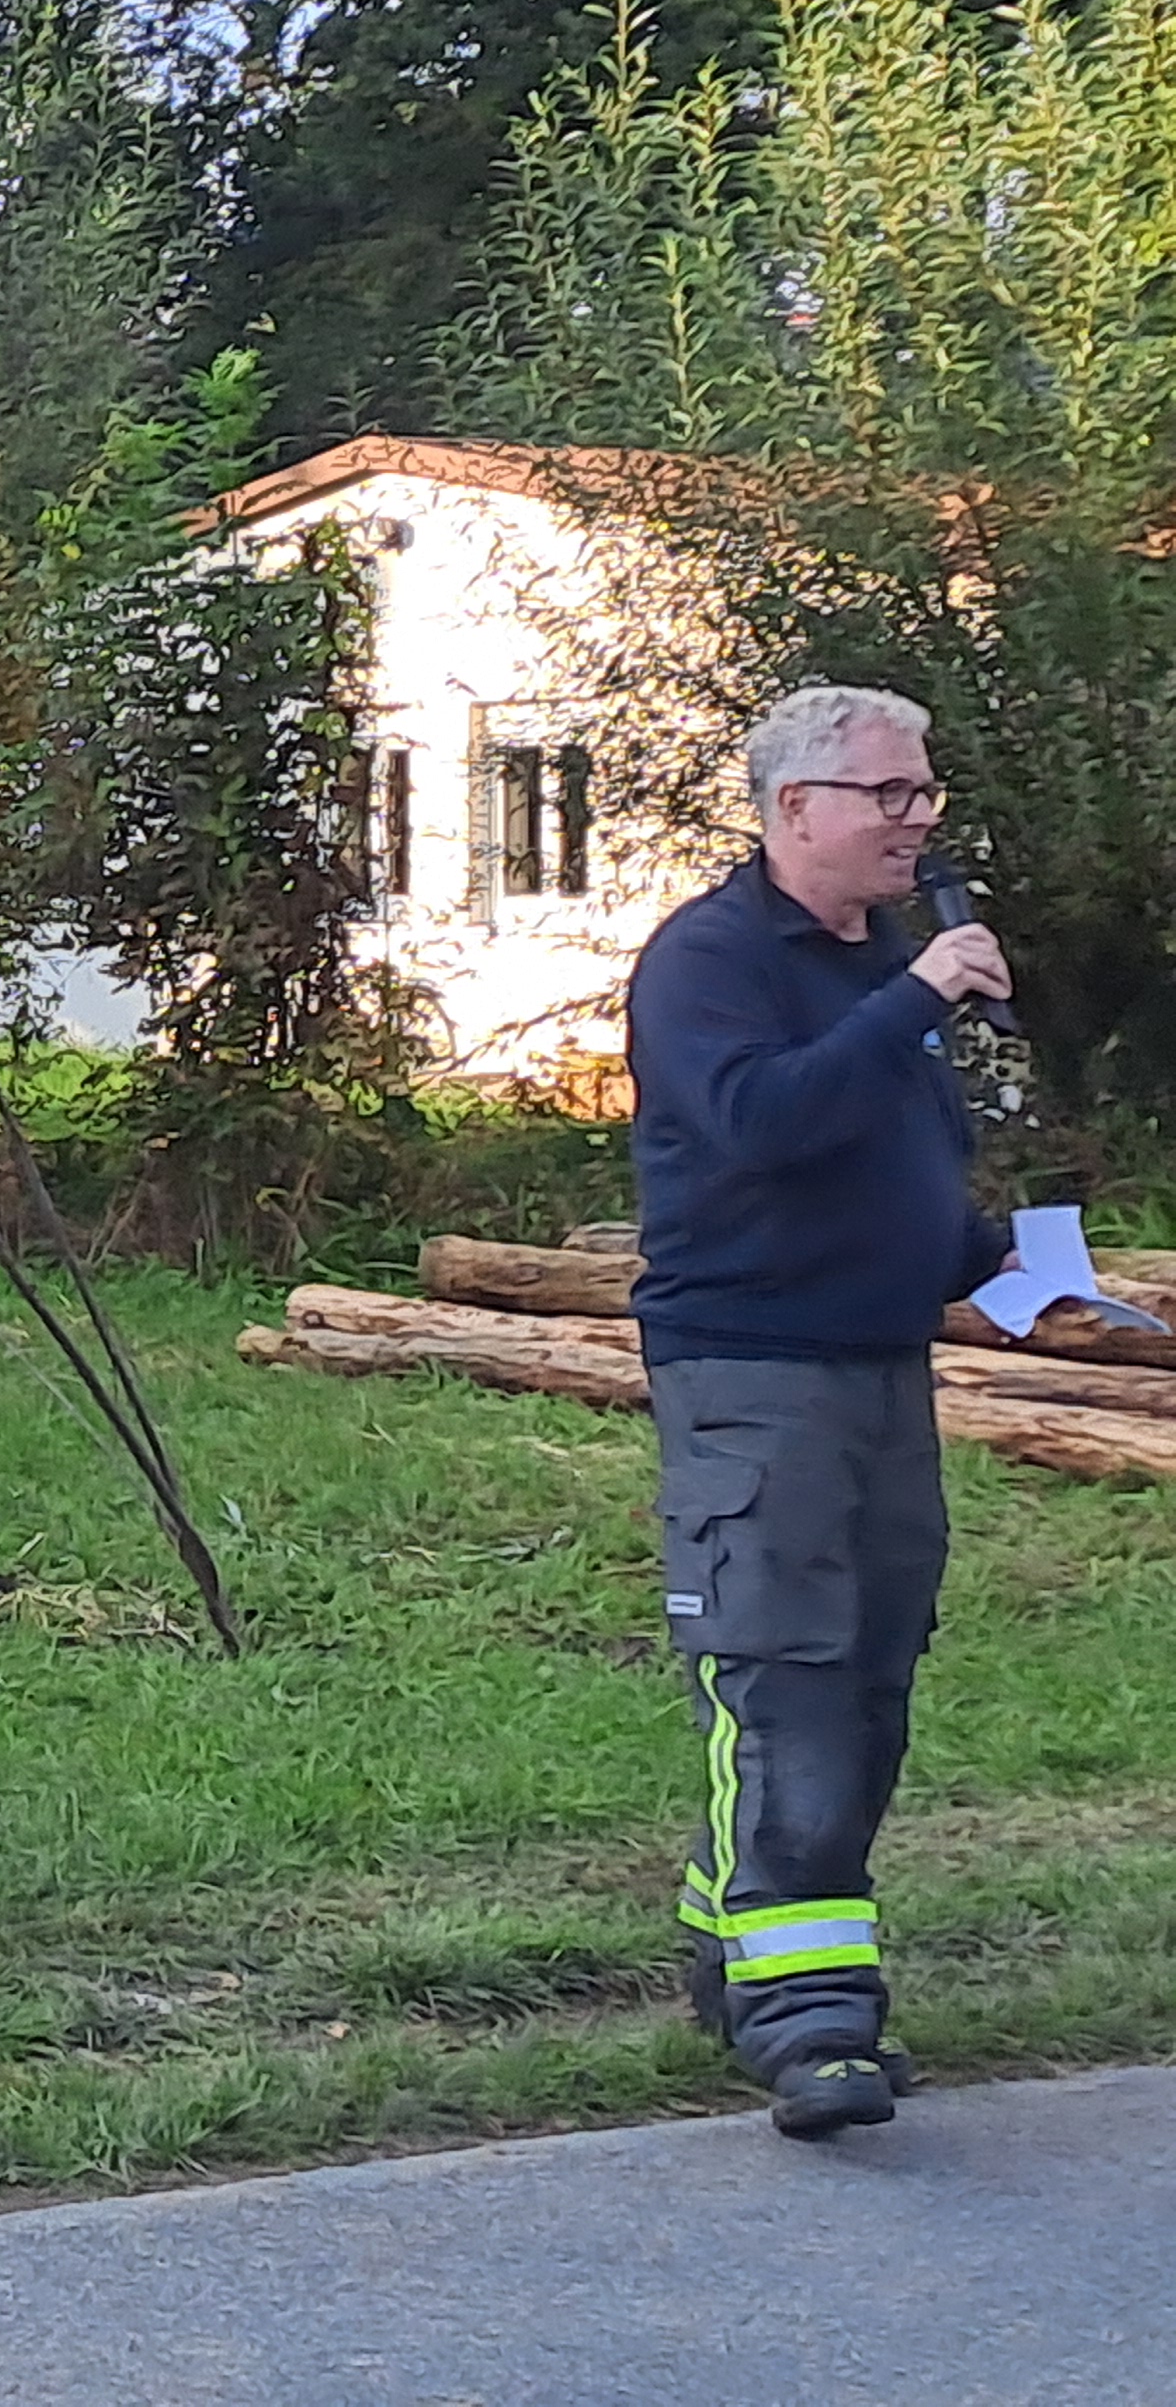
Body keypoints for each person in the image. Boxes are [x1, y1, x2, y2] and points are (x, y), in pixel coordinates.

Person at [624, 684, 1015, 2139]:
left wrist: (1020, 1267)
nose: (919, 820)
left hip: (882, 1367)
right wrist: (918, 1001)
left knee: (869, 1678)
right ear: (795, 809)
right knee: (781, 1672)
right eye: (889, 796)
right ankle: (809, 2026)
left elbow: (890, 1167)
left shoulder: (892, 970)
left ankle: (743, 1935)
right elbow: (766, 1123)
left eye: (924, 794)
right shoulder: (712, 961)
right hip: (752, 1371)